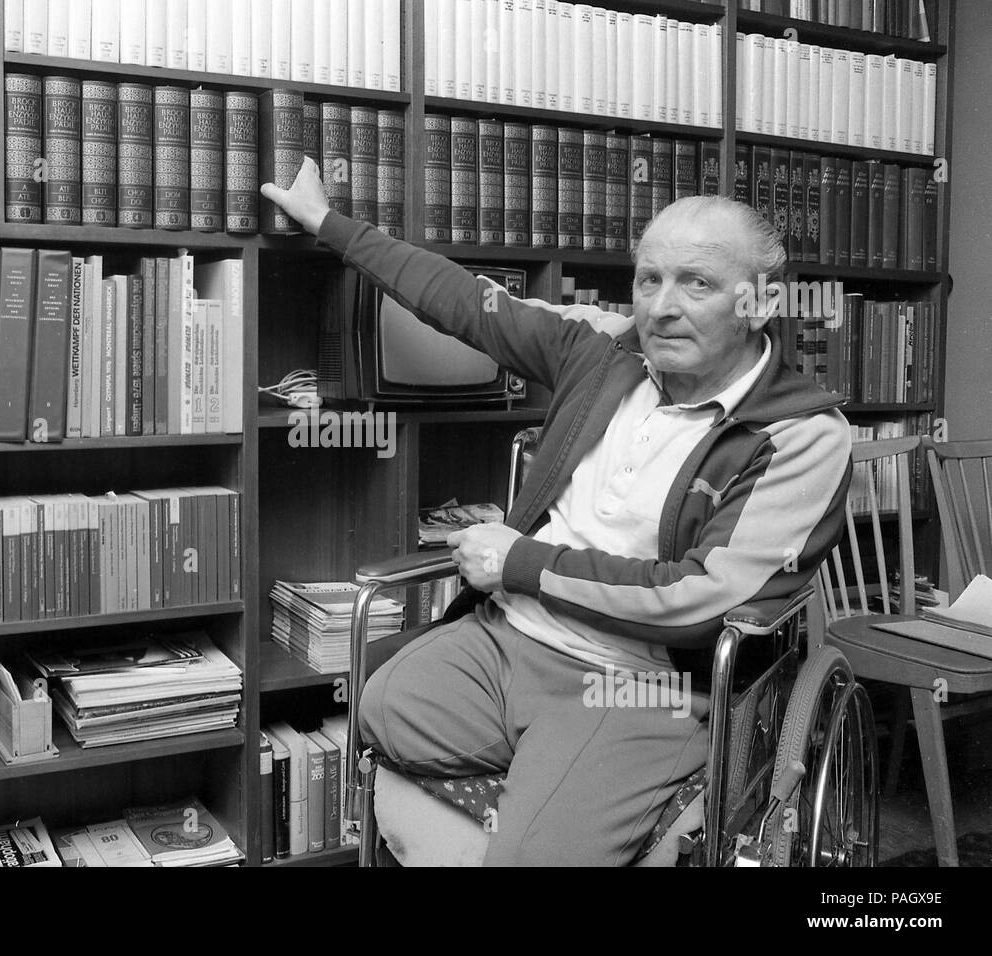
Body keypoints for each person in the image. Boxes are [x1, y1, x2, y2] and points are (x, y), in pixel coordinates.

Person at [261, 159, 853, 866]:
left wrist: (522, 562)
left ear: (758, 303)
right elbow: (457, 298)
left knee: (531, 856)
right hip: (509, 637)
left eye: (696, 283)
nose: (661, 306)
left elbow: (701, 601)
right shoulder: (602, 345)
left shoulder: (804, 435)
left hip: (638, 684)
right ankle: (551, 774)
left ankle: (562, 794)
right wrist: (330, 224)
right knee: (381, 707)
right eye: (649, 278)